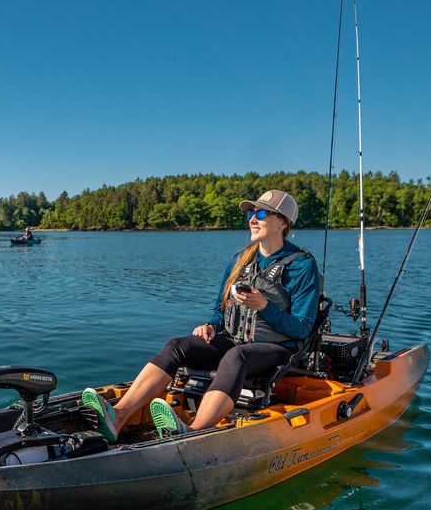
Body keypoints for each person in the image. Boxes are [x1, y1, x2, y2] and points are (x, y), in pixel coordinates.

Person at [81, 189, 320, 441]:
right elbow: (220, 309)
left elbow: (303, 327)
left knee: (237, 355)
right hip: (233, 340)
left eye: (261, 213)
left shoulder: (302, 266)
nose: (252, 218)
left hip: (276, 349)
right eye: (251, 212)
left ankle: (193, 432)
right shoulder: (240, 260)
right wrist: (210, 326)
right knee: (177, 346)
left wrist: (264, 306)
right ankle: (117, 416)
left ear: (283, 222)